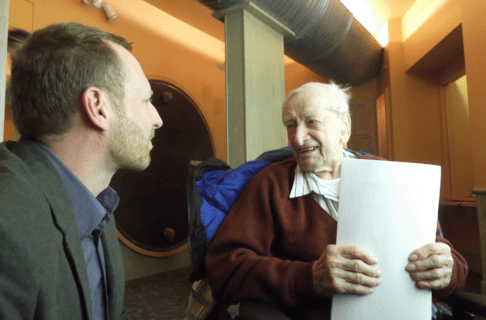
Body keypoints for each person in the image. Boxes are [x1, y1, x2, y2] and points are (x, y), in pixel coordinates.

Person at [205, 82, 468, 319]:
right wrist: (307, 277)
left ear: (345, 127)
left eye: (311, 122)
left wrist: (447, 271)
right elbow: (224, 269)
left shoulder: (392, 176)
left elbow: (454, 266)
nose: (297, 138)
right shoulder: (270, 185)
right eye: (291, 125)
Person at [0, 22, 162, 319]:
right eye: (146, 100)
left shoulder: (95, 199)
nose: (157, 119)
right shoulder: (7, 222)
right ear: (98, 107)